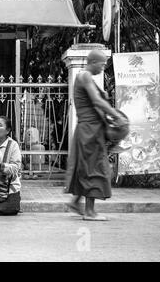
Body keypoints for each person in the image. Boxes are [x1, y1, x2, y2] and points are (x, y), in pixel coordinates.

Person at [66, 50, 125, 221]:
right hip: (89, 131)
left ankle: (76, 202)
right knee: (93, 169)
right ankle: (89, 212)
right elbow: (97, 101)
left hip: (92, 130)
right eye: (102, 63)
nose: (103, 67)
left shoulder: (87, 78)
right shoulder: (84, 76)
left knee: (88, 167)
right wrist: (116, 116)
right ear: (92, 61)